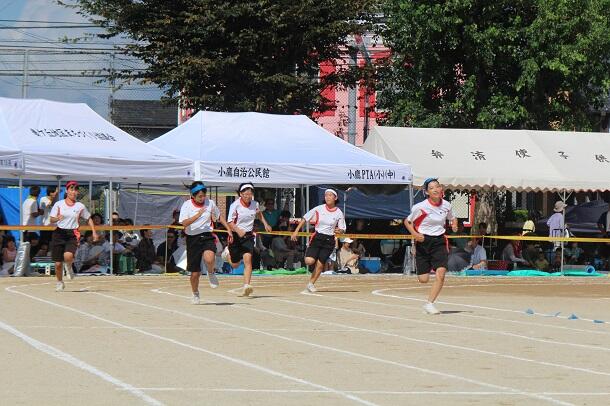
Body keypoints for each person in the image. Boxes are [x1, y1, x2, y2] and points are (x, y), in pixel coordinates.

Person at [404, 178, 458, 315]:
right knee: (424, 279)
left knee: (441, 273)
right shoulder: (420, 207)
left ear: (441, 189)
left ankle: (430, 304)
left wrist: (454, 225)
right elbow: (407, 221)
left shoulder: (446, 205)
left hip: (439, 241)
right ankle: (424, 266)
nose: (435, 189)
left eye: (437, 186)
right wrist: (415, 235)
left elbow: (452, 218)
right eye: (432, 188)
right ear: (427, 192)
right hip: (423, 241)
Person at [179, 181, 233, 304]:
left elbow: (219, 216)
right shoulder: (187, 205)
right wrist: (198, 215)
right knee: (195, 273)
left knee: (209, 258)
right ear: (193, 196)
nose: (202, 198)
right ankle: (195, 293)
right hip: (192, 238)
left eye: (204, 195)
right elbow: (184, 223)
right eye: (200, 196)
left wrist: (228, 229)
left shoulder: (210, 203)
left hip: (207, 235)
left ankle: (211, 272)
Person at [291, 188, 346, 293]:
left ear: (335, 198)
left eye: (330, 195)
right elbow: (305, 218)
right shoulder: (319, 208)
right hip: (317, 237)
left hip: (329, 240)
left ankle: (311, 284)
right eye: (326, 195)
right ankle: (312, 255)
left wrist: (340, 231)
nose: (328, 197)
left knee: (320, 265)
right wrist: (296, 231)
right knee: (309, 261)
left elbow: (343, 229)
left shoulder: (339, 212)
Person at [49, 181, 98, 291]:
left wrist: (94, 232)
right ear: (67, 191)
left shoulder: (80, 206)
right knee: (58, 264)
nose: (73, 192)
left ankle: (69, 267)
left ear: (77, 192)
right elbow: (51, 219)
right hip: (59, 233)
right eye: (71, 189)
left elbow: (88, 218)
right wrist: (57, 218)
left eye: (75, 190)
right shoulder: (59, 204)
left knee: (68, 256)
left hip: (72, 233)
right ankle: (59, 282)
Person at [226, 183, 272, 297]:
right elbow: (229, 222)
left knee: (248, 259)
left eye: (250, 194)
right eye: (245, 194)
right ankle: (227, 254)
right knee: (235, 264)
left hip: (248, 235)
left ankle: (246, 285)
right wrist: (238, 230)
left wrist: (265, 224)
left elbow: (259, 213)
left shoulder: (255, 204)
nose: (248, 196)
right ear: (240, 194)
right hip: (235, 235)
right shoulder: (235, 205)